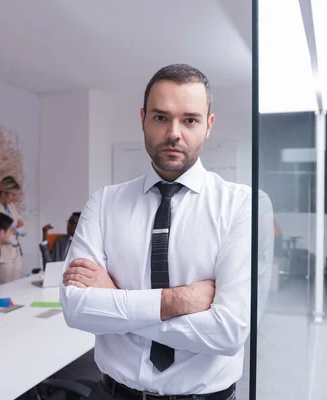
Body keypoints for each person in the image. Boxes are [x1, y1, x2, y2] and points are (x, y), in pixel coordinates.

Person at [60, 64, 274, 400]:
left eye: (190, 120)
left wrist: (115, 303)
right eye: (161, 118)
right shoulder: (104, 203)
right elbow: (76, 309)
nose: (174, 132)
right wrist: (176, 301)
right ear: (143, 118)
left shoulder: (241, 206)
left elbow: (229, 333)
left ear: (208, 126)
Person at [0, 176, 27, 283]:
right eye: (12, 195)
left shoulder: (11, 206)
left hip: (16, 252)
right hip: (4, 254)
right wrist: (17, 230)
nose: (13, 198)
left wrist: (14, 230)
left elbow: (24, 228)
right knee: (5, 288)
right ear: (4, 193)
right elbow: (1, 235)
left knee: (17, 287)